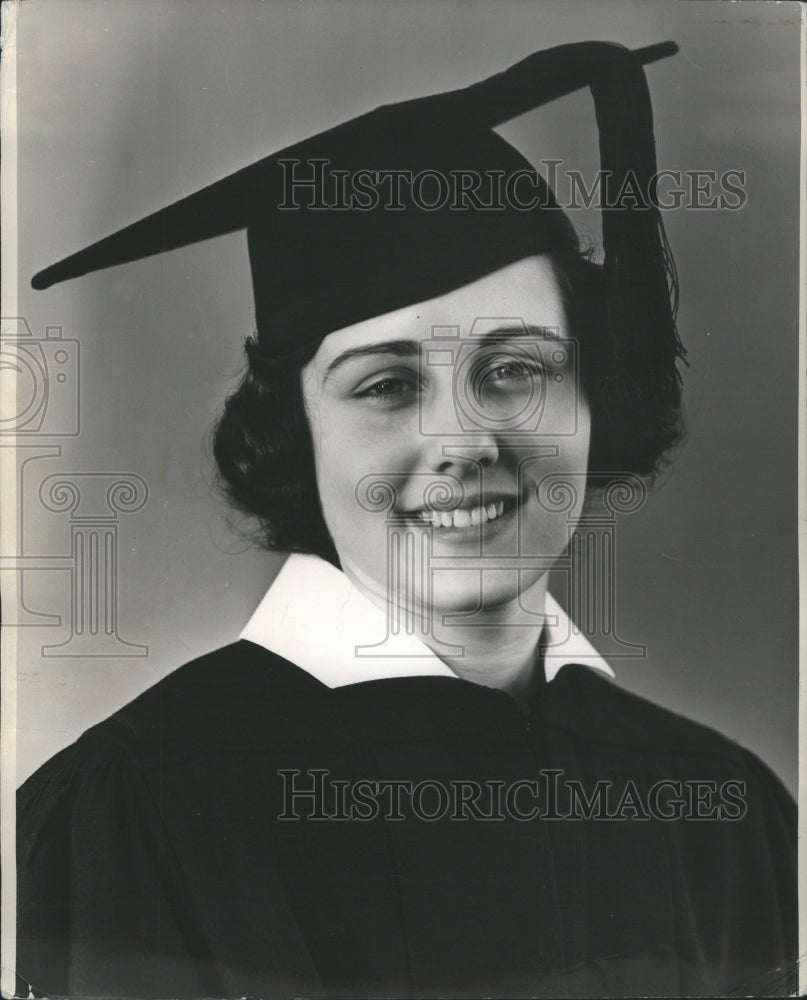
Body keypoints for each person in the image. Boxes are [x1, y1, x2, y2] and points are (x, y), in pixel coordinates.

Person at [17, 41, 796, 999]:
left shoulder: (723, 805)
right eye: (386, 385)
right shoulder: (139, 803)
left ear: (595, 395)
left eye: (514, 370)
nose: (461, 442)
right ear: (294, 433)